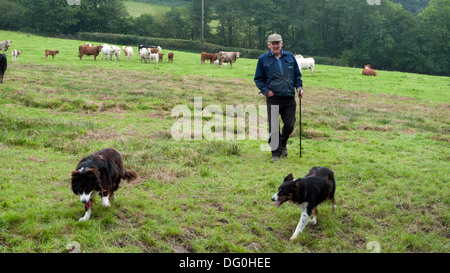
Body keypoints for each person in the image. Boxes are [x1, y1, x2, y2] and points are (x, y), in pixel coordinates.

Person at [254, 34, 304, 161]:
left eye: (278, 43)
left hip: (289, 97)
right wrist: (266, 91)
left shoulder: (290, 57)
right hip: (274, 98)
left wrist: (299, 87)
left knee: (290, 125)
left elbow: (297, 75)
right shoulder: (263, 59)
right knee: (274, 126)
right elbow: (258, 79)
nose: (275, 45)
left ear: (282, 43)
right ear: (269, 45)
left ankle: (282, 143)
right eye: (273, 43)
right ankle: (275, 153)